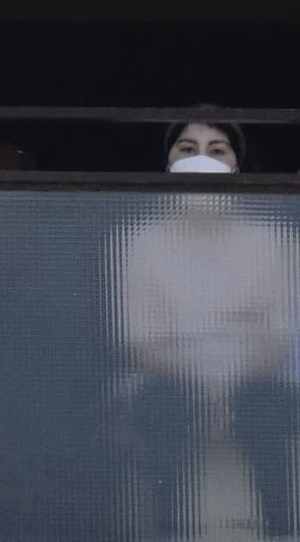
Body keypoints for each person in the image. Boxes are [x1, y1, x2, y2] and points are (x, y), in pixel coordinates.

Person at [116, 118, 300, 538]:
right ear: (167, 165)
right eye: (187, 148)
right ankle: (170, 530)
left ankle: (281, 529)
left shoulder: (272, 241)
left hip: (254, 379)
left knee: (267, 405)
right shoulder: (141, 242)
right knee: (162, 405)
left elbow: (277, 338)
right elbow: (143, 345)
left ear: (236, 166)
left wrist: (231, 385)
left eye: (216, 150)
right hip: (172, 380)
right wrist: (205, 390)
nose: (201, 158)